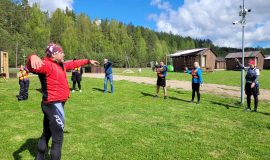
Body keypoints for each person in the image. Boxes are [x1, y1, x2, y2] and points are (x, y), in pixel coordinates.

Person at [27, 43, 99, 160]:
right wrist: (32, 57)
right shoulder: (47, 65)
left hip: (52, 105)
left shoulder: (60, 64)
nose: (64, 54)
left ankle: (39, 158)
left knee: (47, 133)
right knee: (58, 139)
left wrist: (88, 61)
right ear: (55, 54)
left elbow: (73, 63)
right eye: (61, 52)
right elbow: (32, 66)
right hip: (53, 105)